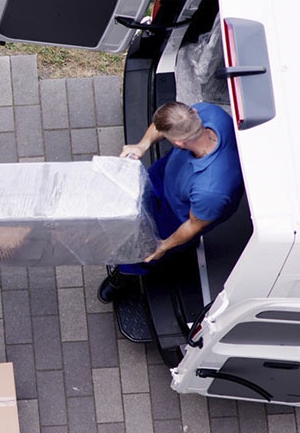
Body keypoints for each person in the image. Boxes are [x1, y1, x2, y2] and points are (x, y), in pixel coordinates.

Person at [98, 101, 244, 302]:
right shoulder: (208, 112)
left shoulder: (212, 190)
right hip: (165, 177)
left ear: (179, 144)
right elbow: (161, 126)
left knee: (143, 249)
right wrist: (143, 145)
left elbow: (193, 225)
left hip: (176, 215)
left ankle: (125, 274)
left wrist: (163, 246)